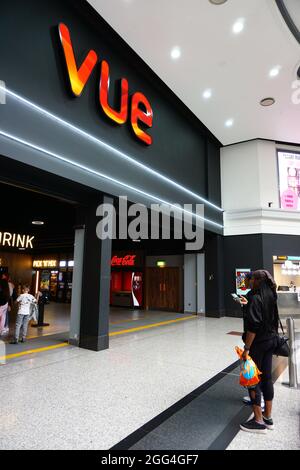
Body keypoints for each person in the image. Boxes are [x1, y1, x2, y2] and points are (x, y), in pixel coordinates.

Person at [239, 270, 279, 434]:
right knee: (267, 378)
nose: (248, 282)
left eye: (251, 279)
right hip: (271, 340)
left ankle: (258, 420)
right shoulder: (270, 295)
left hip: (258, 344)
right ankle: (268, 417)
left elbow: (253, 327)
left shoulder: (255, 298)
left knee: (252, 379)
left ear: (256, 281)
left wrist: (246, 349)